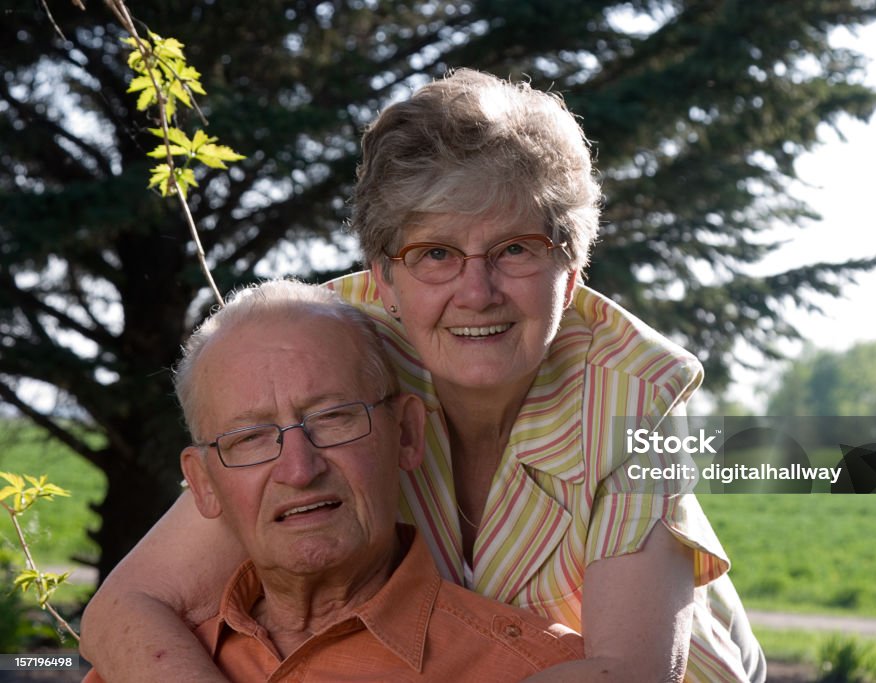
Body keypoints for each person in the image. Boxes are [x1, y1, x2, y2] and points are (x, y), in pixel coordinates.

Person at [82, 68, 766, 682]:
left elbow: (627, 673)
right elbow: (126, 607)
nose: (477, 291)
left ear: (573, 270)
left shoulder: (636, 389)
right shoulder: (335, 344)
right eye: (435, 252)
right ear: (383, 275)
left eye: (515, 249)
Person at [84, 280, 585, 682]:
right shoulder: (134, 666)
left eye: (334, 418)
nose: (300, 470)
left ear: (407, 434)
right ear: (203, 484)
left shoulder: (535, 670)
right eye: (251, 438)